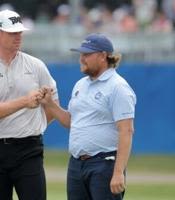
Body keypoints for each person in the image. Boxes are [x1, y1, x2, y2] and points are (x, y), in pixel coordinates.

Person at [41, 33, 136, 200]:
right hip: (77, 165)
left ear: (103, 56)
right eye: (81, 54)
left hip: (104, 164)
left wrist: (119, 172)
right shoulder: (81, 84)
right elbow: (72, 121)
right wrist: (49, 104)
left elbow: (126, 131)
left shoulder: (118, 87)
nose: (81, 58)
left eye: (87, 54)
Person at [0, 9, 58, 200]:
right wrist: (25, 102)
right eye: (12, 33)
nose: (18, 37)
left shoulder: (35, 66)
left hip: (28, 149)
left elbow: (52, 104)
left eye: (20, 32)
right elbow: (27, 102)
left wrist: (35, 127)